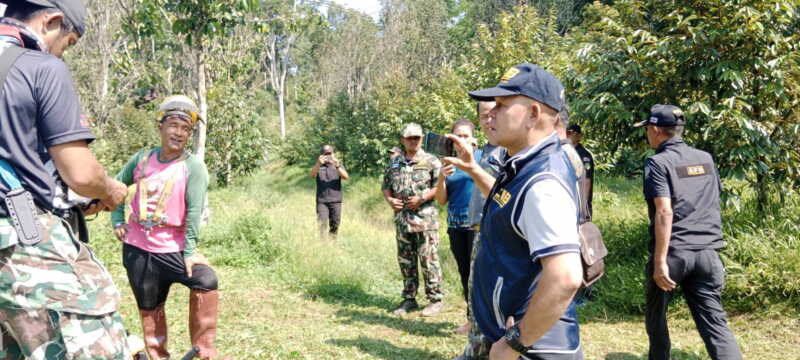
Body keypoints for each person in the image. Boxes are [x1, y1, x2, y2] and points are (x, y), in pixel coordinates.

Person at [0, 1, 132, 358]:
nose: (63, 53)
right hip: (21, 231)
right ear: (52, 22)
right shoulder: (40, 67)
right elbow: (81, 173)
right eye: (68, 43)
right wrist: (110, 190)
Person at [449, 63, 584, 360]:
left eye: (502, 105)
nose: (490, 113)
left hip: (532, 347)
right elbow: (510, 206)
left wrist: (516, 342)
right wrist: (473, 168)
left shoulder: (542, 181)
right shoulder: (523, 165)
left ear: (534, 114)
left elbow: (565, 277)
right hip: (507, 334)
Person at [111, 96, 229, 360]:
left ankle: (204, 351)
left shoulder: (193, 167)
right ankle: (157, 355)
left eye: (186, 129)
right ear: (160, 126)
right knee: (149, 306)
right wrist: (117, 218)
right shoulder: (142, 159)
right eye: (174, 125)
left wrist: (189, 252)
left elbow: (195, 212)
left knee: (206, 280)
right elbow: (116, 185)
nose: (179, 133)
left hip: (173, 248)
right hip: (138, 249)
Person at [634, 104, 742, 360]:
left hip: (673, 254)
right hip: (707, 253)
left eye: (647, 129)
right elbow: (713, 199)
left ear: (657, 130)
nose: (647, 134)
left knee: (656, 319)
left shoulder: (658, 162)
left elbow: (664, 212)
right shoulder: (705, 158)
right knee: (715, 324)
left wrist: (660, 262)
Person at [382, 123, 445, 317]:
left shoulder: (432, 161)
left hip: (425, 220)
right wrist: (390, 200)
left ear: (421, 139)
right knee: (406, 262)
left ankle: (435, 299)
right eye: (409, 138)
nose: (413, 141)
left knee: (429, 260)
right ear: (402, 140)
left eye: (416, 138)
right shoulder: (394, 162)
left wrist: (423, 198)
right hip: (402, 221)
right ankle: (409, 299)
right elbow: (386, 185)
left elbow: (440, 186)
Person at [435, 119, 479, 333]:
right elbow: (441, 200)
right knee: (464, 273)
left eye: (465, 136)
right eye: (457, 136)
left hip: (477, 226)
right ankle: (471, 320)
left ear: (473, 139)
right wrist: (442, 177)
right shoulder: (447, 163)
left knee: (478, 274)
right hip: (455, 225)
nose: (461, 140)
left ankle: (485, 321)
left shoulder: (481, 159)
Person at [309, 144, 349, 240]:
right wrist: (318, 163)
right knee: (322, 224)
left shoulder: (337, 165)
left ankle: (332, 241)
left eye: (330, 153)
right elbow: (312, 175)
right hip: (322, 201)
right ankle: (323, 244)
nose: (328, 156)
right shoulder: (318, 166)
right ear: (321, 155)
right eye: (326, 154)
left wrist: (337, 165)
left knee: (335, 223)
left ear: (333, 154)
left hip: (336, 200)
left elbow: (346, 177)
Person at [567, 124, 594, 218]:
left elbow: (586, 181)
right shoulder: (565, 151)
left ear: (578, 135)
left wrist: (583, 207)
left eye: (572, 133)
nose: (569, 135)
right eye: (568, 133)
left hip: (580, 204)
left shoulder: (583, 155)